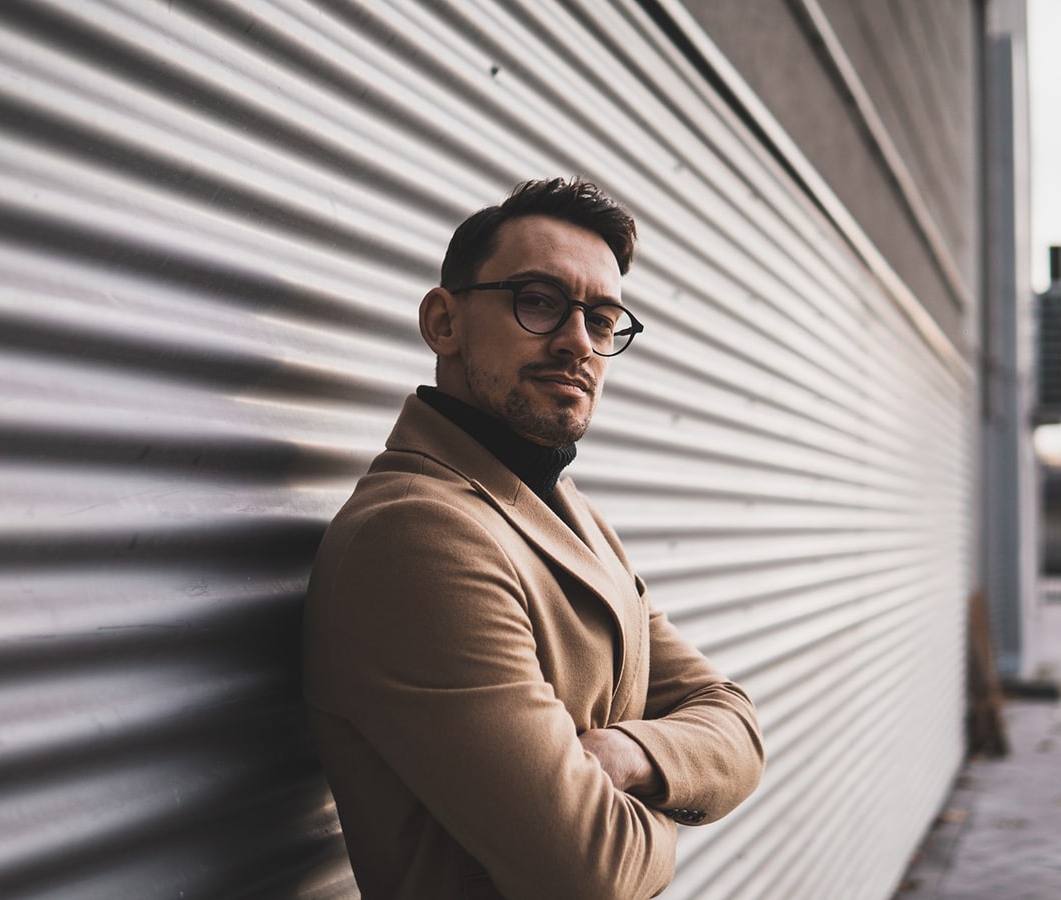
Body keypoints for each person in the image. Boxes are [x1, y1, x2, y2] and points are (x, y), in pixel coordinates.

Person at [302, 178, 764, 900]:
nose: (579, 342)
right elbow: (593, 870)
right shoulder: (416, 536)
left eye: (604, 319)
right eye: (540, 301)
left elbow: (736, 723)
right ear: (443, 322)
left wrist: (627, 752)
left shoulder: (571, 514)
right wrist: (667, 792)